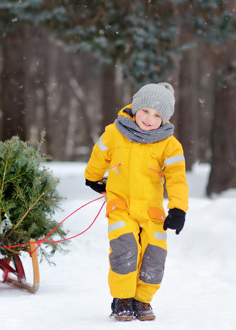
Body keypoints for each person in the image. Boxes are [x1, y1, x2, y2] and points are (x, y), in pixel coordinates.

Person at [84, 82, 189, 321]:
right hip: (121, 207)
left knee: (155, 253)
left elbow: (177, 180)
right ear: (135, 108)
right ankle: (122, 298)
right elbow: (99, 155)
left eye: (157, 115)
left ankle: (142, 300)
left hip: (152, 212)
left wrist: (178, 209)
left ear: (165, 119)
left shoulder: (170, 145)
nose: (149, 118)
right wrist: (93, 178)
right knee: (125, 249)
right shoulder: (115, 132)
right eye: (145, 111)